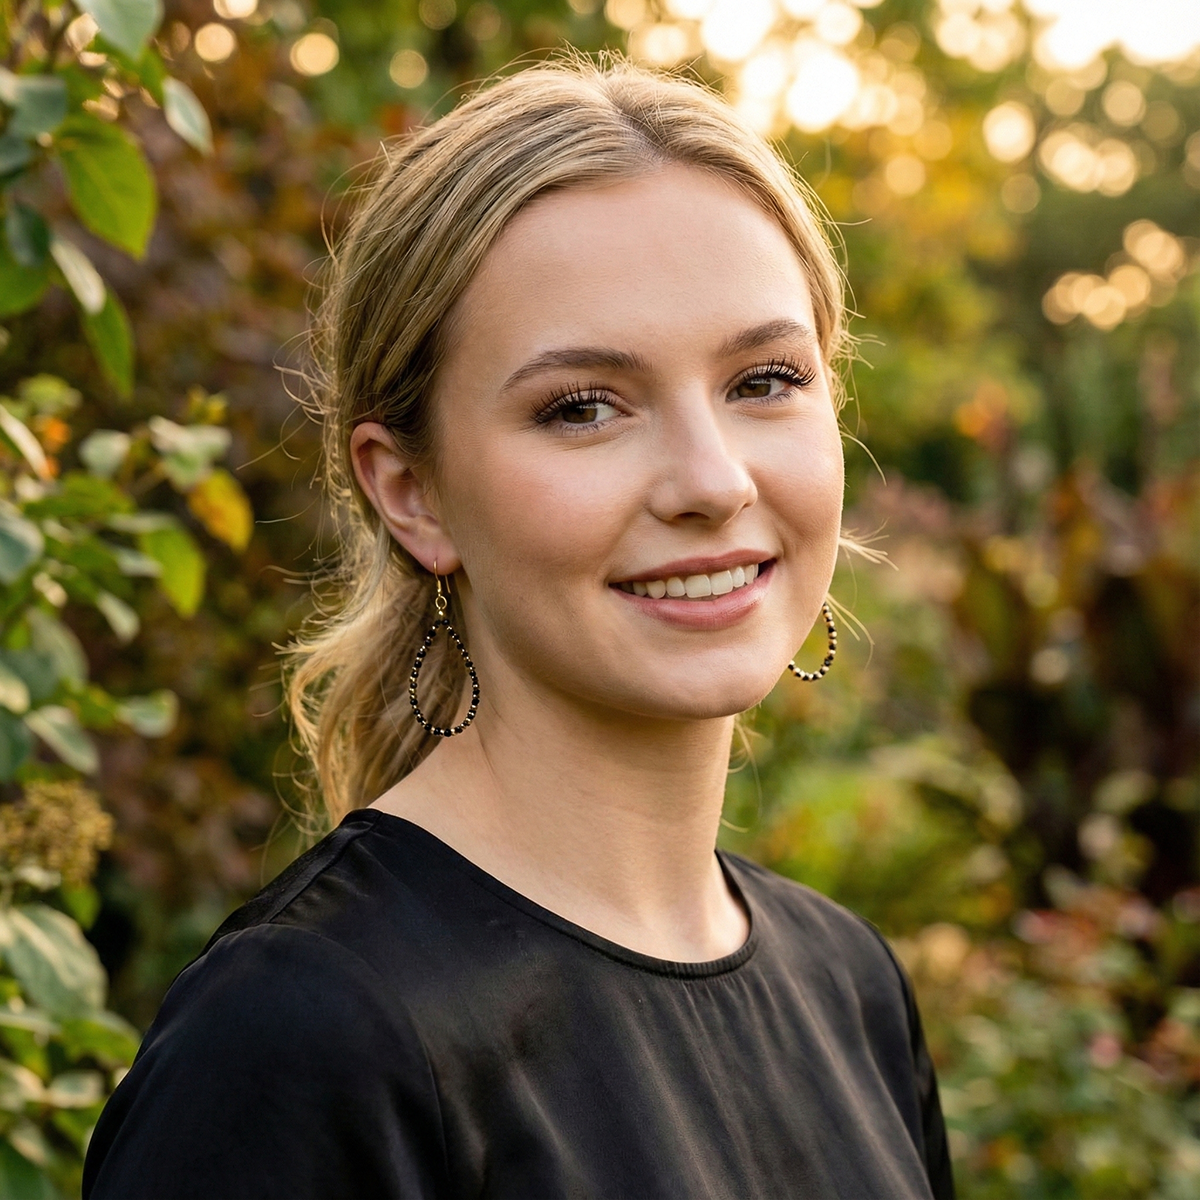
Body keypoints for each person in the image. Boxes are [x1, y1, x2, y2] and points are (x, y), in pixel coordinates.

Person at [83, 59, 955, 1200]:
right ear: (412, 493)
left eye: (765, 380)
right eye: (582, 407)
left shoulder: (848, 986)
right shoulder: (302, 1038)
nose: (711, 480)